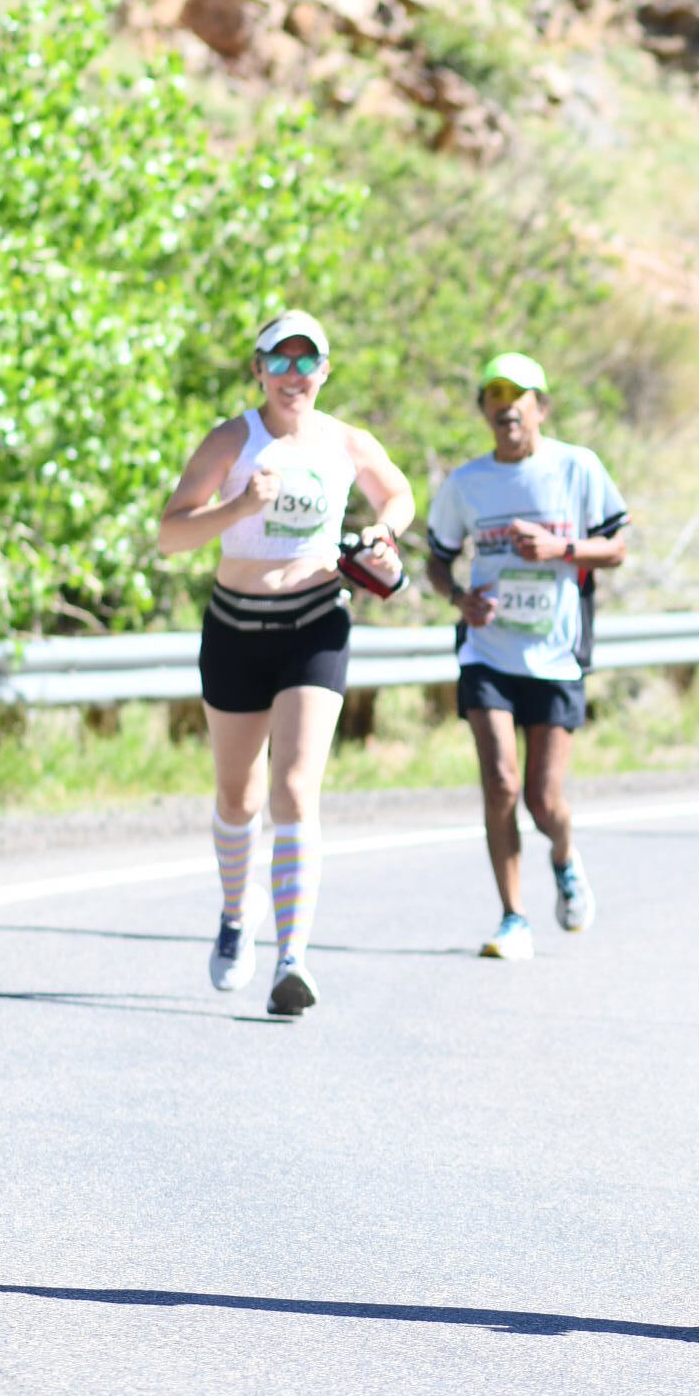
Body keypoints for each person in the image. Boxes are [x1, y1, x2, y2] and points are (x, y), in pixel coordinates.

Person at [158, 311, 414, 1019]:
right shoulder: (231, 440)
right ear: (258, 369)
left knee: (295, 789)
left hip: (315, 621)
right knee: (237, 797)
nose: (293, 375)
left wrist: (382, 532)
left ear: (325, 371)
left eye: (307, 362)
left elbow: (398, 493)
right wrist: (240, 506)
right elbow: (171, 534)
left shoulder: (346, 441)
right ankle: (235, 917)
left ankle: (292, 958)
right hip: (236, 628)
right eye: (280, 360)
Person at [424, 354, 628, 963]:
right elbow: (437, 560)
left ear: (541, 408)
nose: (506, 406)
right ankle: (513, 917)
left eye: (519, 396)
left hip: (557, 655)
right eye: (495, 395)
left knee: (543, 800)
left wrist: (560, 548)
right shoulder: (466, 483)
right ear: (484, 410)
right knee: (501, 784)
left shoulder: (577, 467)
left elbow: (616, 547)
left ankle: (564, 857)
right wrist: (459, 598)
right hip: (487, 652)